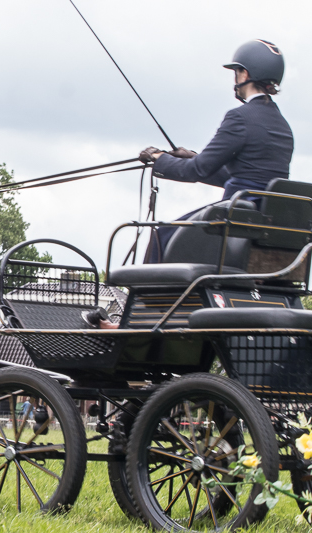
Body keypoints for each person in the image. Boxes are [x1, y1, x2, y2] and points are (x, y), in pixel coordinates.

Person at [83, 39, 293, 329]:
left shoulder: (239, 118)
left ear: (245, 74)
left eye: (237, 72)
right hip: (260, 220)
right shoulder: (282, 125)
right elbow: (235, 175)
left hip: (235, 221)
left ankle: (136, 321)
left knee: (160, 234)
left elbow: (198, 170)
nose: (235, 80)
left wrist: (159, 159)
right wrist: (191, 155)